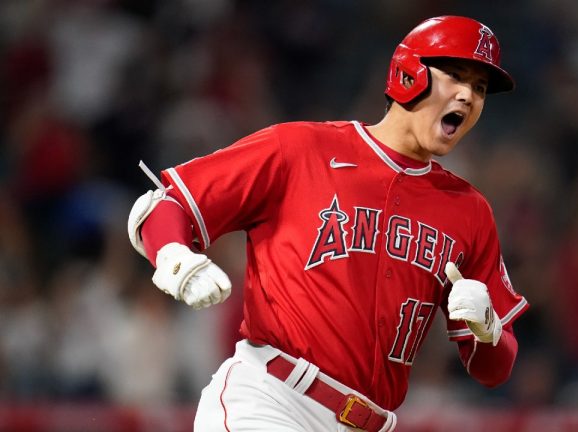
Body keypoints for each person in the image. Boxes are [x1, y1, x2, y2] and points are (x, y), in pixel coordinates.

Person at [127, 15, 528, 431]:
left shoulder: (470, 210)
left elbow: (494, 370)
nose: (467, 95)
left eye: (479, 89)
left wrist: (488, 330)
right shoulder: (302, 150)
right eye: (456, 76)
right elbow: (165, 205)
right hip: (273, 399)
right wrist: (175, 256)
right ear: (409, 73)